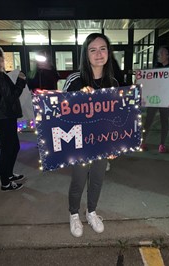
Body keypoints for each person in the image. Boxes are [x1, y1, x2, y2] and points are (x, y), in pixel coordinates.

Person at [62, 33, 119, 238]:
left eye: (102, 48)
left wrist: (115, 144)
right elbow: (59, 113)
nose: (98, 54)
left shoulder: (112, 81)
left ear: (108, 52)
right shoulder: (75, 80)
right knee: (78, 179)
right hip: (79, 142)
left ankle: (91, 211)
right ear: (85, 54)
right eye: (92, 49)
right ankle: (74, 213)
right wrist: (78, 100)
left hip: (102, 142)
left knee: (97, 179)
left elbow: (116, 117)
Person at [0, 45, 26, 191]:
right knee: (7, 150)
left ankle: (9, 175)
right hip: (5, 118)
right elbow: (11, 97)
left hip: (1, 117)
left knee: (13, 146)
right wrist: (21, 81)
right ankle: (6, 182)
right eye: (2, 56)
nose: (3, 59)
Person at [141, 45, 169, 153]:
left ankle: (162, 144)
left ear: (167, 55)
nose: (158, 55)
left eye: (161, 53)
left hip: (166, 100)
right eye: (158, 53)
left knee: (164, 121)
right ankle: (143, 142)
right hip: (154, 99)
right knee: (148, 120)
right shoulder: (155, 69)